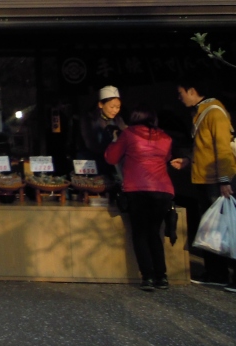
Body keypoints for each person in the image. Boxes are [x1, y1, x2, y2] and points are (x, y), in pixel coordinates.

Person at [105, 108, 183, 291]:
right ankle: (161, 277)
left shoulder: (128, 134)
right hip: (163, 190)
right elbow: (167, 157)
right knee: (154, 232)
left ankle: (147, 277)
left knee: (140, 233)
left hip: (137, 189)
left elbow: (111, 158)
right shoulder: (165, 137)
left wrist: (115, 139)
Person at [177, 83, 236, 290]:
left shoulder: (214, 113)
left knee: (225, 228)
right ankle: (216, 273)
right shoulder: (202, 112)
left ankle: (222, 273)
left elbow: (223, 148)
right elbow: (205, 147)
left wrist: (225, 180)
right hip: (207, 179)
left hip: (216, 180)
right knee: (213, 229)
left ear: (192, 90)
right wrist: (188, 160)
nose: (180, 97)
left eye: (181, 93)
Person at [76, 86, 127, 179]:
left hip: (111, 162)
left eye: (118, 107)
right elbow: (90, 144)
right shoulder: (89, 119)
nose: (115, 110)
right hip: (90, 162)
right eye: (112, 107)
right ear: (100, 104)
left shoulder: (118, 120)